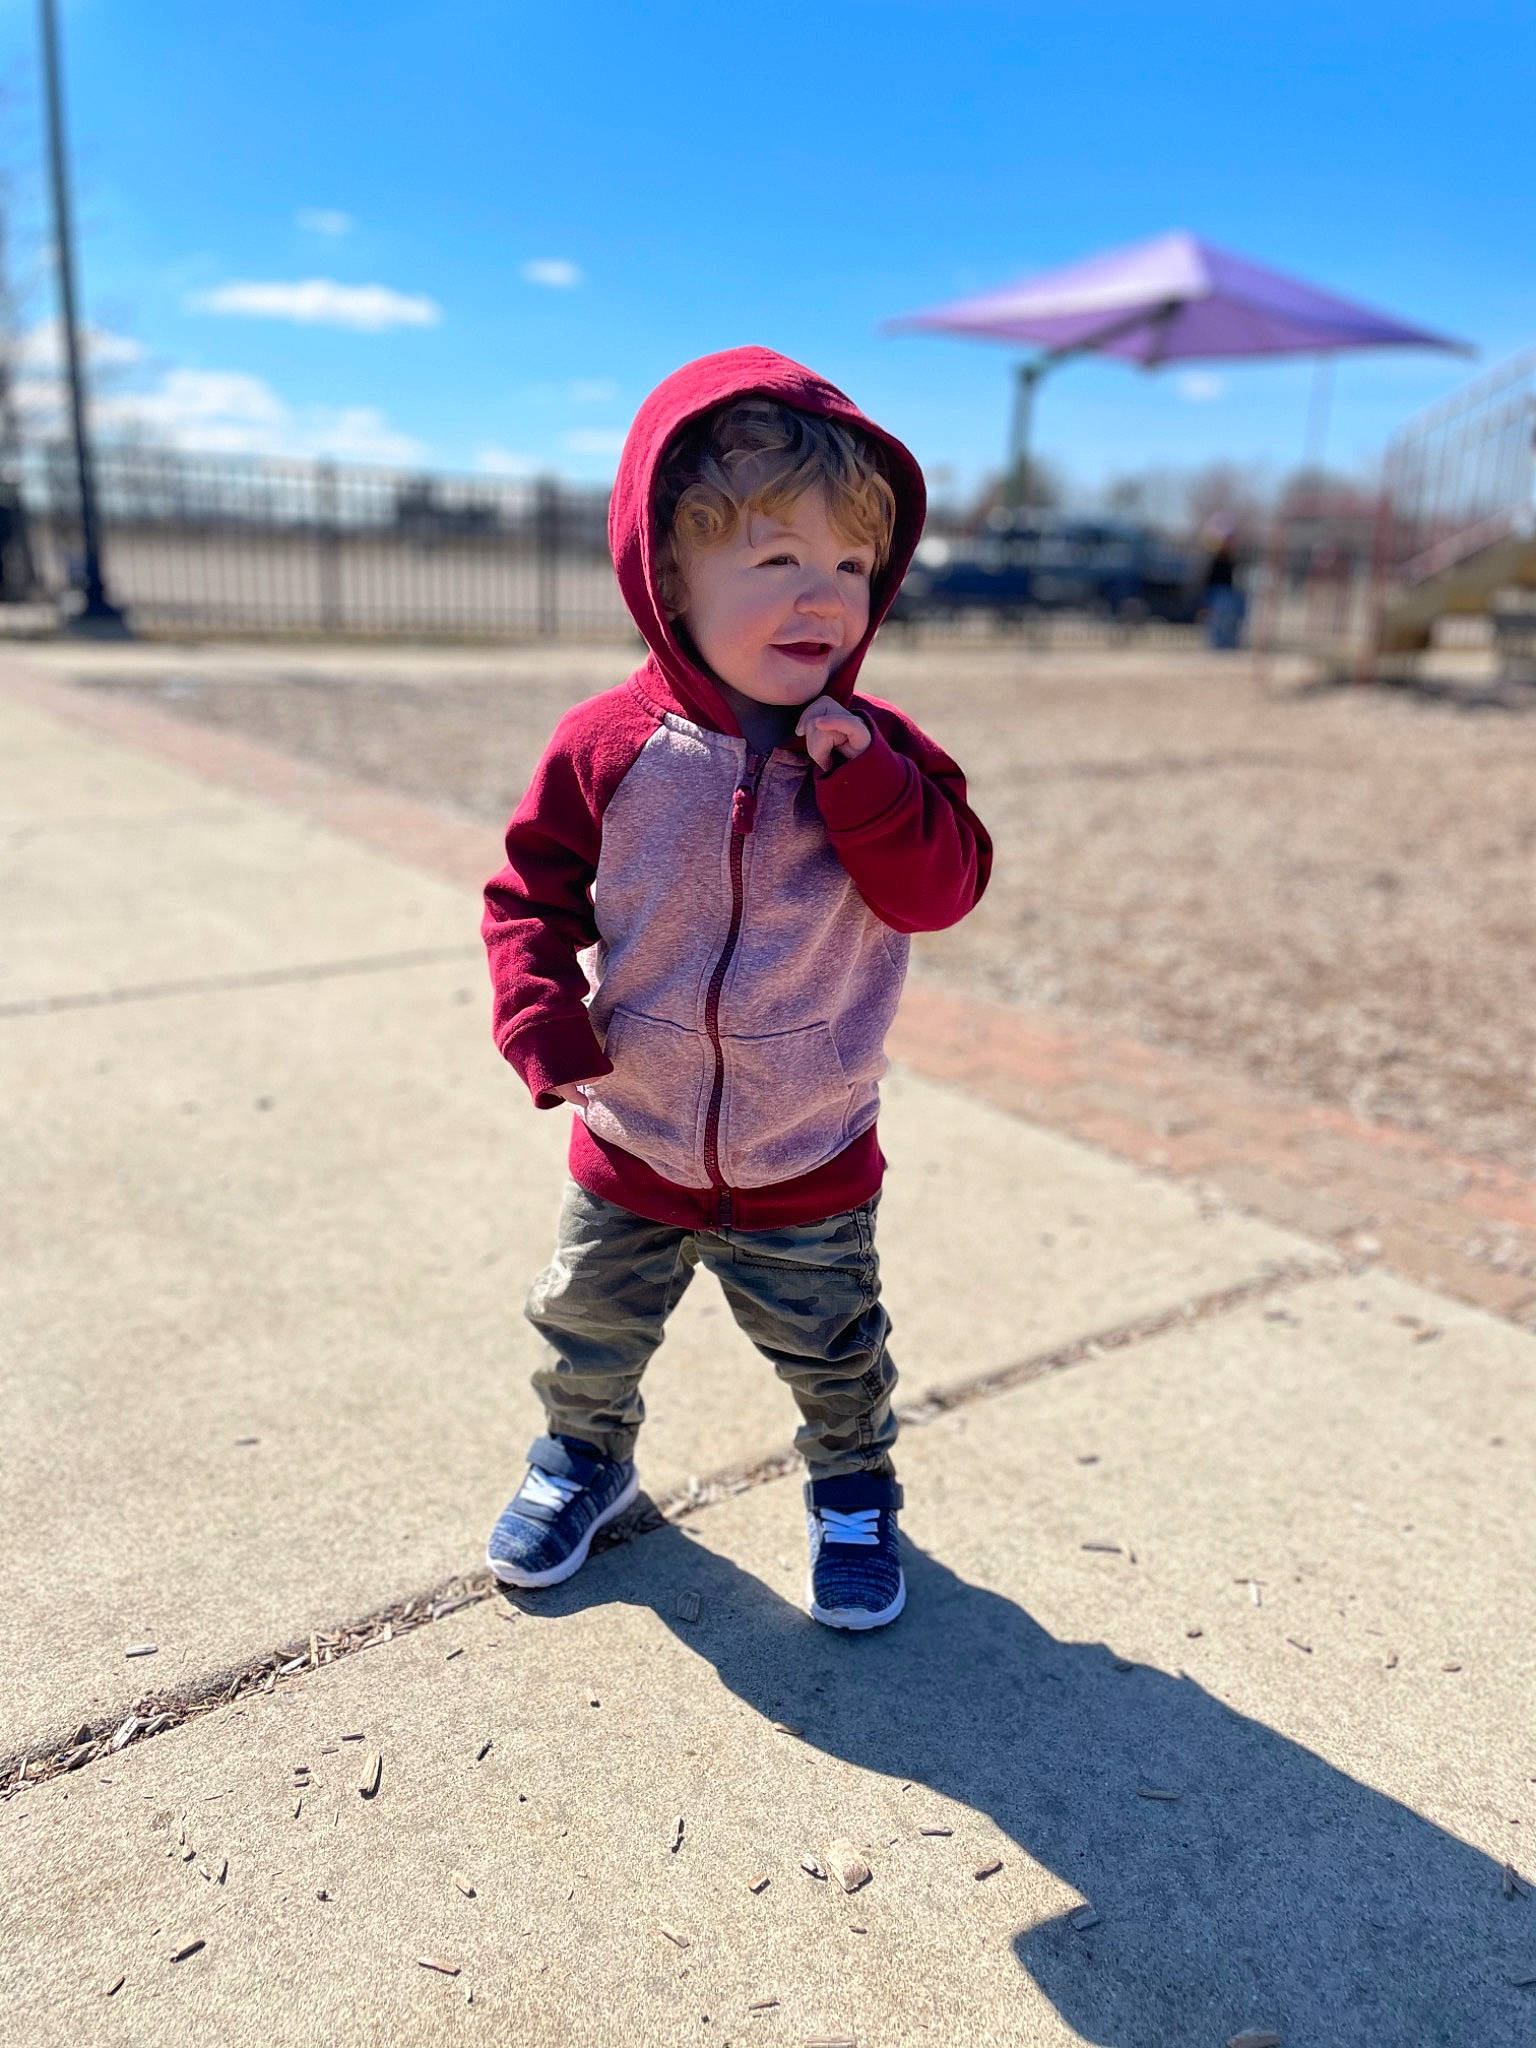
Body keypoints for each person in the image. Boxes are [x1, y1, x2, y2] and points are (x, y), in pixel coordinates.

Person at [480, 348, 991, 1630]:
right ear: (668, 577)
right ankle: (583, 1460)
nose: (822, 597)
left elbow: (943, 888)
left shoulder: (885, 752)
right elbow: (527, 894)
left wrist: (864, 781)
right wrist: (537, 1004)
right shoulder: (608, 748)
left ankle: (855, 1494)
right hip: (633, 1136)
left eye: (851, 569)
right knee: (586, 1329)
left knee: (834, 1354)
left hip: (805, 1148)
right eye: (774, 562)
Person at [1201, 522, 1246, 650]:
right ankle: (1218, 644)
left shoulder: (1232, 559)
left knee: (1230, 618)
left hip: (1228, 593)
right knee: (1218, 620)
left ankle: (1228, 643)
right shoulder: (1214, 559)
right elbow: (1207, 579)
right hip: (1217, 594)